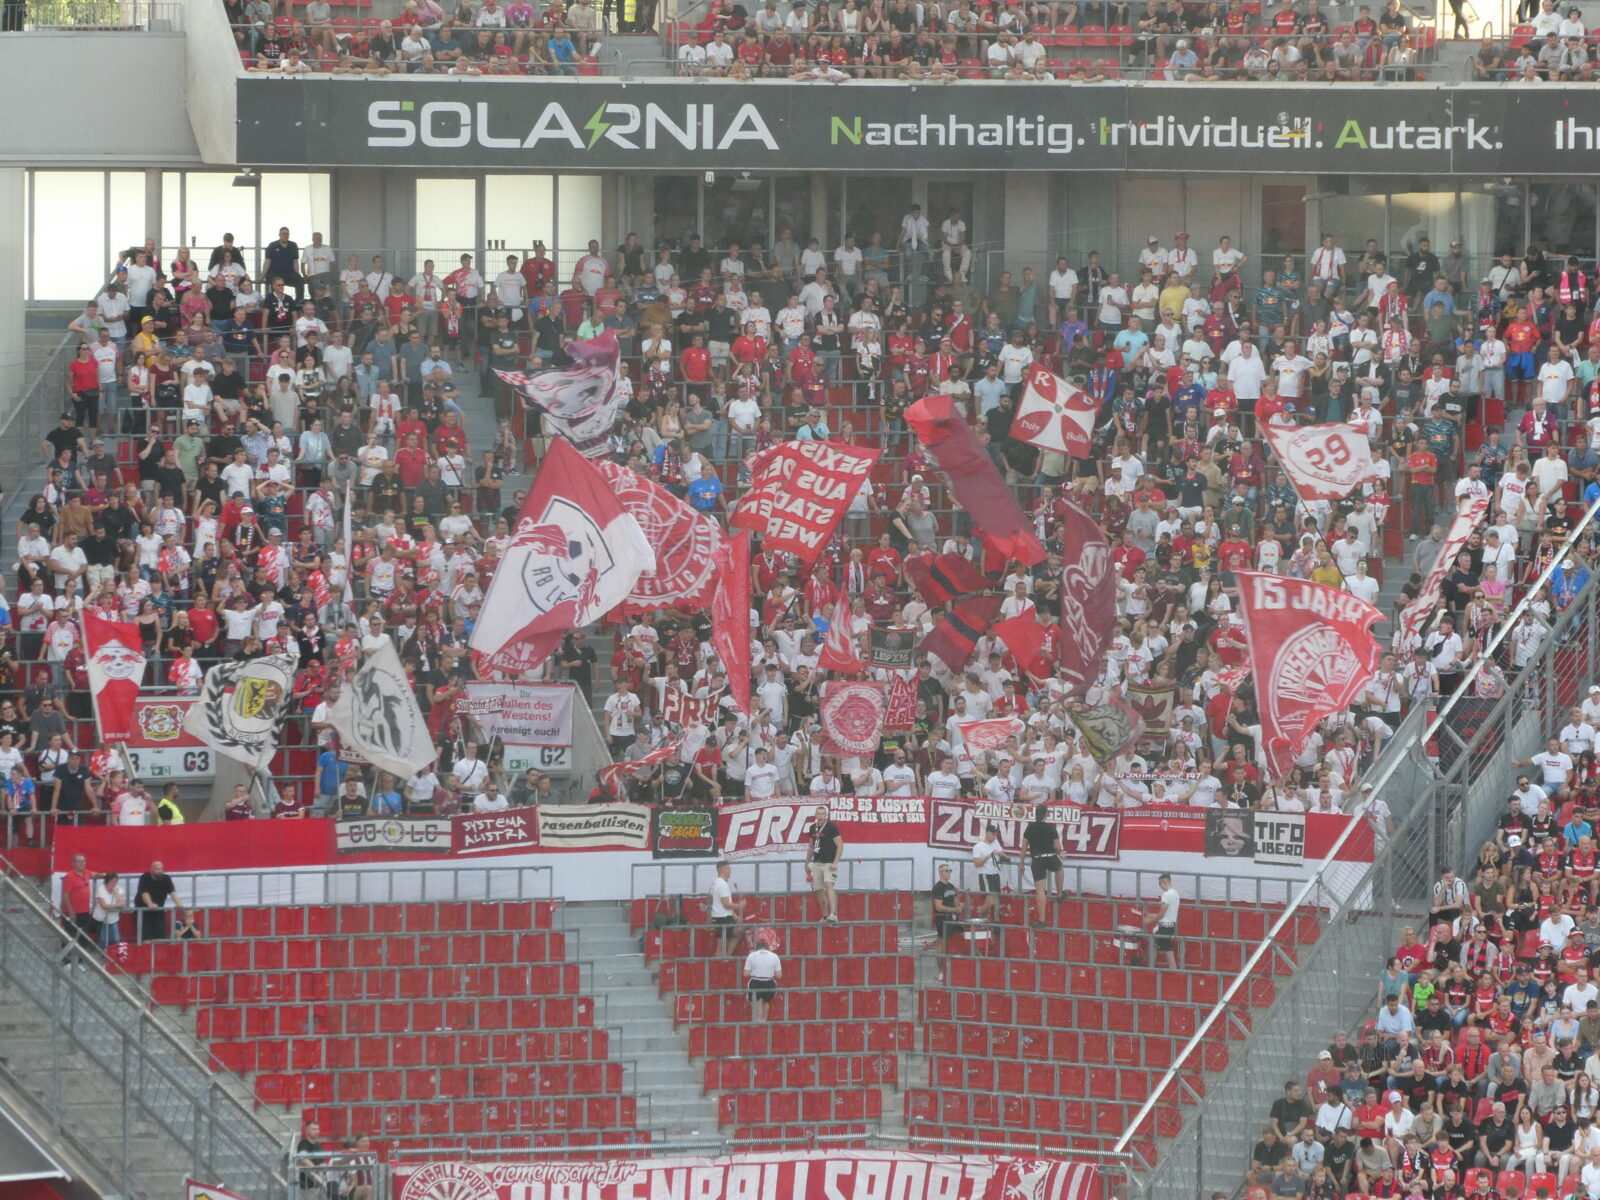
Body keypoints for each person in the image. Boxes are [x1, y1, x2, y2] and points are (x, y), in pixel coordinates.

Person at [1022, 804, 1064, 928]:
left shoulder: (1029, 828)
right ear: (1046, 814)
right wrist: (1059, 853)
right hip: (1050, 857)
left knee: (1040, 890)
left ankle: (1042, 920)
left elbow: (1023, 848)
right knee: (1059, 868)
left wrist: (1021, 864)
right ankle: (1060, 894)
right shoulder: (1051, 827)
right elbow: (1058, 846)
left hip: (1037, 859)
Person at [806, 802, 843, 923]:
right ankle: (825, 915)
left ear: (826, 815)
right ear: (815, 815)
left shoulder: (831, 827)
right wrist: (807, 863)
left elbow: (840, 845)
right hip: (817, 862)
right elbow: (811, 846)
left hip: (829, 862)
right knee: (818, 889)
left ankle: (834, 914)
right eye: (818, 814)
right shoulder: (812, 828)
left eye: (823, 814)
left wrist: (835, 862)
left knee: (828, 885)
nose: (820, 816)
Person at [135, 860, 188, 940]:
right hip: (143, 910)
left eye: (161, 869)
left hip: (158, 909)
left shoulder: (166, 878)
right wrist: (150, 903)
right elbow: (144, 893)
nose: (160, 871)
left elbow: (172, 892)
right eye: (157, 869)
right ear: (151, 869)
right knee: (145, 937)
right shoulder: (145, 877)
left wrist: (179, 903)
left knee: (160, 937)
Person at [707, 860, 745, 955]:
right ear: (724, 870)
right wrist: (739, 905)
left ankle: (727, 956)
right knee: (722, 945)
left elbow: (719, 904)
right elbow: (726, 904)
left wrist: (734, 916)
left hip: (719, 917)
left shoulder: (715, 883)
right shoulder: (722, 884)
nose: (730, 871)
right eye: (729, 869)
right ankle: (726, 957)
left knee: (738, 932)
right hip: (723, 918)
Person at [742, 930, 781, 1022]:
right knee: (765, 1002)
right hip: (769, 983)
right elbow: (779, 975)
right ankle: (764, 1020)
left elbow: (745, 974)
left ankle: (758, 1021)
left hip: (755, 982)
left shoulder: (751, 956)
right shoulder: (775, 956)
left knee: (757, 1002)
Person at [970, 823, 1004, 921]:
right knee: (990, 902)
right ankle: (978, 916)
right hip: (985, 875)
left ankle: (986, 921)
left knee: (995, 902)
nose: (994, 836)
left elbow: (1003, 853)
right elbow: (977, 863)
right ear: (987, 833)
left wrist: (1002, 855)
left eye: (996, 834)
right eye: (993, 834)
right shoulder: (978, 847)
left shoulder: (996, 843)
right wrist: (989, 855)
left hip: (995, 875)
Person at [1149, 871, 1181, 969]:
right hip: (1171, 927)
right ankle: (1175, 974)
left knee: (1155, 948)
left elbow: (1162, 913)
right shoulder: (1176, 894)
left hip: (1164, 927)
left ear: (1164, 882)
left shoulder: (1166, 895)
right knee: (1169, 955)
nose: (1160, 886)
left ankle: (1151, 970)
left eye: (1160, 884)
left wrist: (1150, 919)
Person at [91, 869, 125, 949]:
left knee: (116, 939)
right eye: (112, 882)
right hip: (101, 919)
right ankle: (102, 953)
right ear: (107, 882)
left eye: (115, 882)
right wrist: (116, 905)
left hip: (113, 919)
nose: (114, 884)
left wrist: (116, 893)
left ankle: (113, 953)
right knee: (102, 940)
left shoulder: (119, 890)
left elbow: (121, 904)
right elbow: (104, 906)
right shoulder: (100, 890)